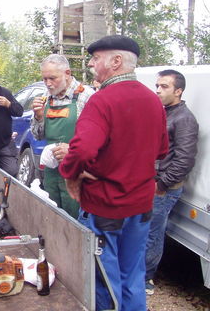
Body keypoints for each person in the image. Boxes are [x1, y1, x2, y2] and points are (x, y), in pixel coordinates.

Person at [59, 35, 169, 311]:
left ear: (116, 61)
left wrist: (70, 174)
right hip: (142, 205)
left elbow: (82, 150)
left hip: (106, 205)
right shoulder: (153, 101)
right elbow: (161, 151)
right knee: (133, 273)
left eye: (96, 59)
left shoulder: (102, 101)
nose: (92, 65)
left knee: (103, 276)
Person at [145, 69, 198, 295]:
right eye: (157, 85)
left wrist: (161, 185)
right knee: (142, 230)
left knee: (152, 233)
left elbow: (185, 160)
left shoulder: (184, 119)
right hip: (150, 183)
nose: (157, 90)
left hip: (163, 189)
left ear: (178, 91)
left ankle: (145, 279)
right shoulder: (163, 112)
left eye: (164, 86)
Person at [31, 54, 94, 218]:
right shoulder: (46, 98)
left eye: (52, 78)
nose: (48, 83)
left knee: (75, 220)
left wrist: (73, 150)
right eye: (44, 79)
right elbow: (37, 136)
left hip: (77, 171)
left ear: (67, 73)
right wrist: (38, 116)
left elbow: (97, 139)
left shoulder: (86, 96)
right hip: (52, 171)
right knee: (53, 216)